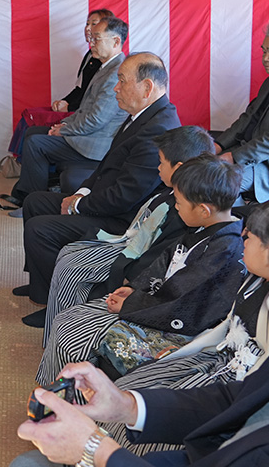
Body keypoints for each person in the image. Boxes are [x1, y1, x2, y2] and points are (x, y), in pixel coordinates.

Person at [12, 196, 269, 466]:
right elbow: (237, 398)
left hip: (183, 332)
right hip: (201, 346)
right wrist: (126, 405)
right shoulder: (260, 287)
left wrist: (95, 451)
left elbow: (187, 308)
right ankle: (62, 419)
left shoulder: (228, 252)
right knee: (113, 376)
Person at [36, 155, 245, 385]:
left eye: (179, 202)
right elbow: (165, 264)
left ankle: (69, 402)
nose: (175, 206)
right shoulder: (205, 229)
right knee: (67, 318)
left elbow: (184, 301)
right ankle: (57, 392)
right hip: (157, 304)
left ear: (204, 210)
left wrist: (132, 305)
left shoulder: (224, 248)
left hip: (179, 326)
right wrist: (134, 290)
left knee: (73, 334)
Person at [103, 198, 269, 457]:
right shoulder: (254, 280)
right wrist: (179, 355)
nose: (243, 237)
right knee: (133, 385)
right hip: (218, 356)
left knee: (146, 427)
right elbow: (225, 329)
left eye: (251, 237)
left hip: (236, 377)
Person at [18, 53, 181, 326]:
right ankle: (43, 289)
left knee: (40, 228)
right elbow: (105, 168)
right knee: (34, 201)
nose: (116, 87)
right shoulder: (142, 116)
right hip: (107, 200)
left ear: (147, 87)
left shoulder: (157, 129)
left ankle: (59, 308)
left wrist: (77, 206)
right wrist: (80, 194)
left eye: (121, 81)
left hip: (123, 220)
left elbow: (125, 197)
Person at [40, 126, 215, 345]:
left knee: (72, 268)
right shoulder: (171, 192)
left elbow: (157, 254)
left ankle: (59, 332)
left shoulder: (184, 210)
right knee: (69, 253)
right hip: (129, 244)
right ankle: (54, 327)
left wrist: (127, 275)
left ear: (179, 168)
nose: (158, 167)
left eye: (161, 162)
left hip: (133, 257)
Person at [0, 16, 128, 211]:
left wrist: (65, 130)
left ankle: (33, 202)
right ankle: (26, 194)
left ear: (116, 41)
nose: (91, 42)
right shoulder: (105, 67)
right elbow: (85, 108)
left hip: (96, 142)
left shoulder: (115, 73)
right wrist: (64, 126)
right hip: (89, 132)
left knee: (36, 143)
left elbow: (96, 119)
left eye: (96, 38)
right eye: (91, 38)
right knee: (32, 132)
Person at [2, 9, 114, 163]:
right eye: (87, 24)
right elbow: (80, 88)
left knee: (31, 120)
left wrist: (68, 108)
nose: (88, 29)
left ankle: (23, 162)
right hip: (76, 110)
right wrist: (63, 101)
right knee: (29, 116)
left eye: (94, 25)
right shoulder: (90, 56)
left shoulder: (108, 66)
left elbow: (92, 105)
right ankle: (22, 163)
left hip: (81, 117)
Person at [215, 20, 269, 203]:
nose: (265, 58)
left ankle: (239, 223)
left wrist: (234, 156)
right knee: (198, 166)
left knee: (215, 183)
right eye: (264, 51)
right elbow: (247, 118)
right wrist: (219, 145)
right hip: (246, 150)